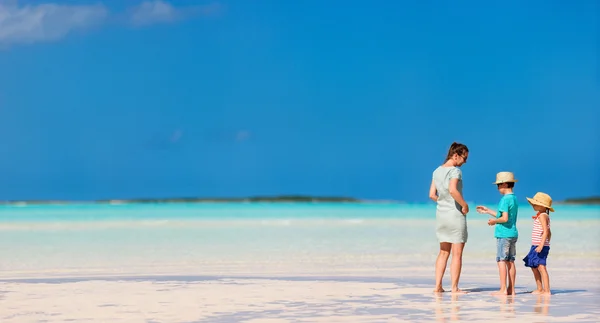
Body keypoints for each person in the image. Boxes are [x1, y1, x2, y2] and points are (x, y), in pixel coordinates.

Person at [429, 142, 469, 293]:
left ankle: (438, 286)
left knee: (443, 252)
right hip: (455, 215)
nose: (465, 162)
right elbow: (453, 190)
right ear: (456, 155)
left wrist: (443, 202)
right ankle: (454, 287)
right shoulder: (455, 171)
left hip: (441, 215)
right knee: (457, 254)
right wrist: (464, 205)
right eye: (464, 158)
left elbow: (432, 195)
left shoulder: (436, 171)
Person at [476, 172, 519, 296]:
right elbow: (505, 216)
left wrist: (494, 221)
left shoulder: (504, 200)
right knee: (510, 261)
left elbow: (504, 219)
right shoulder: (514, 198)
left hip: (503, 234)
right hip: (513, 234)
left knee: (501, 260)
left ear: (504, 184)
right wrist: (488, 211)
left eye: (498, 185)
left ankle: (503, 289)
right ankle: (512, 289)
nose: (498, 188)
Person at [522, 192, 553, 295]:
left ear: (542, 205)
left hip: (540, 245)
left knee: (541, 267)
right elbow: (549, 232)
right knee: (533, 266)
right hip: (536, 245)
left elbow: (546, 231)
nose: (533, 205)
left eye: (535, 203)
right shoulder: (541, 215)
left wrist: (542, 245)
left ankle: (546, 290)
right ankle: (540, 289)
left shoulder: (543, 216)